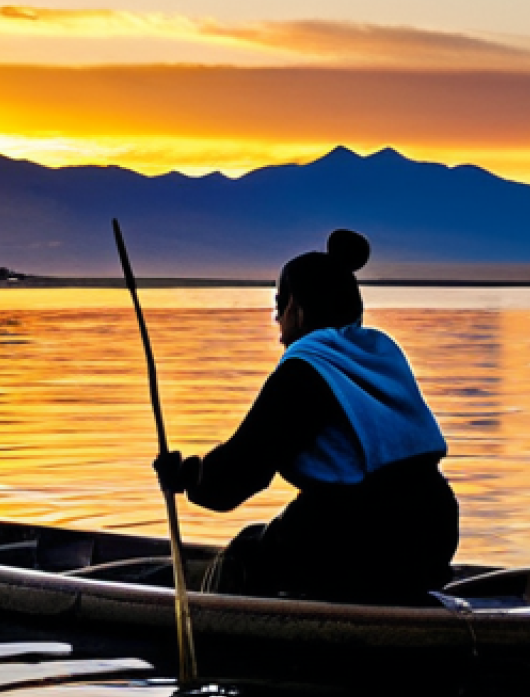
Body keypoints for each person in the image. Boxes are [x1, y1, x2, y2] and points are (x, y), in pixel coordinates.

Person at [155, 229, 458, 604]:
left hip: (361, 535)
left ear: (297, 309)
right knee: (272, 536)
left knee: (243, 557)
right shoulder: (380, 353)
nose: (278, 325)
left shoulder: (306, 369)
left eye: (279, 307)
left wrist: (187, 478)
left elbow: (242, 470)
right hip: (435, 529)